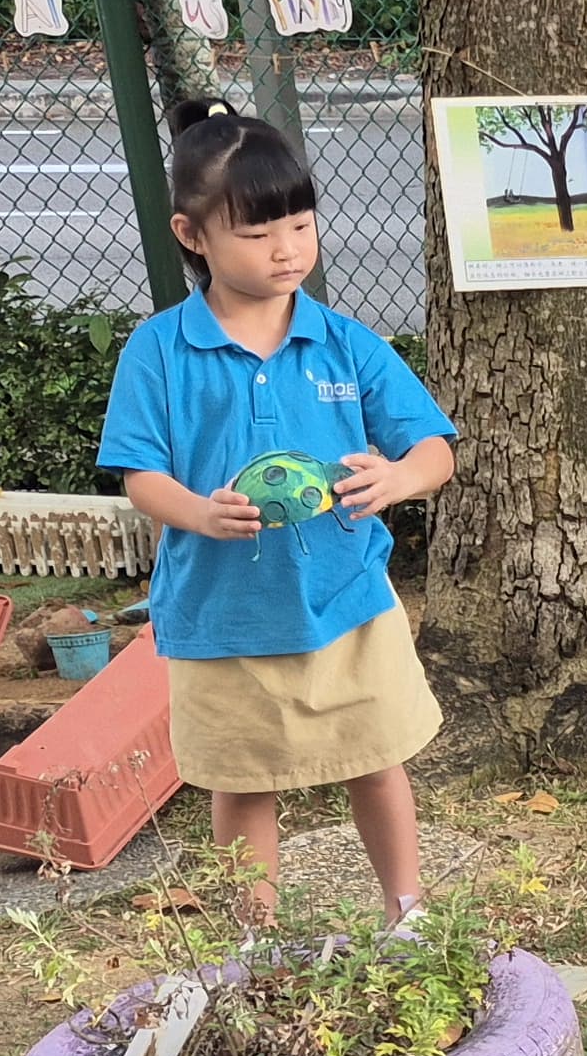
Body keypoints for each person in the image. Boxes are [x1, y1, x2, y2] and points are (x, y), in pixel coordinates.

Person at [99, 98, 458, 927]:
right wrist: (197, 511)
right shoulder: (159, 349)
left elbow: (434, 450)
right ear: (194, 237)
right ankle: (254, 941)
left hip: (348, 606)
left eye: (300, 224)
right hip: (221, 617)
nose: (287, 248)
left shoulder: (345, 343)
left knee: (377, 763)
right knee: (243, 780)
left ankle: (409, 914)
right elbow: (140, 476)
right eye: (258, 234)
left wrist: (395, 481)